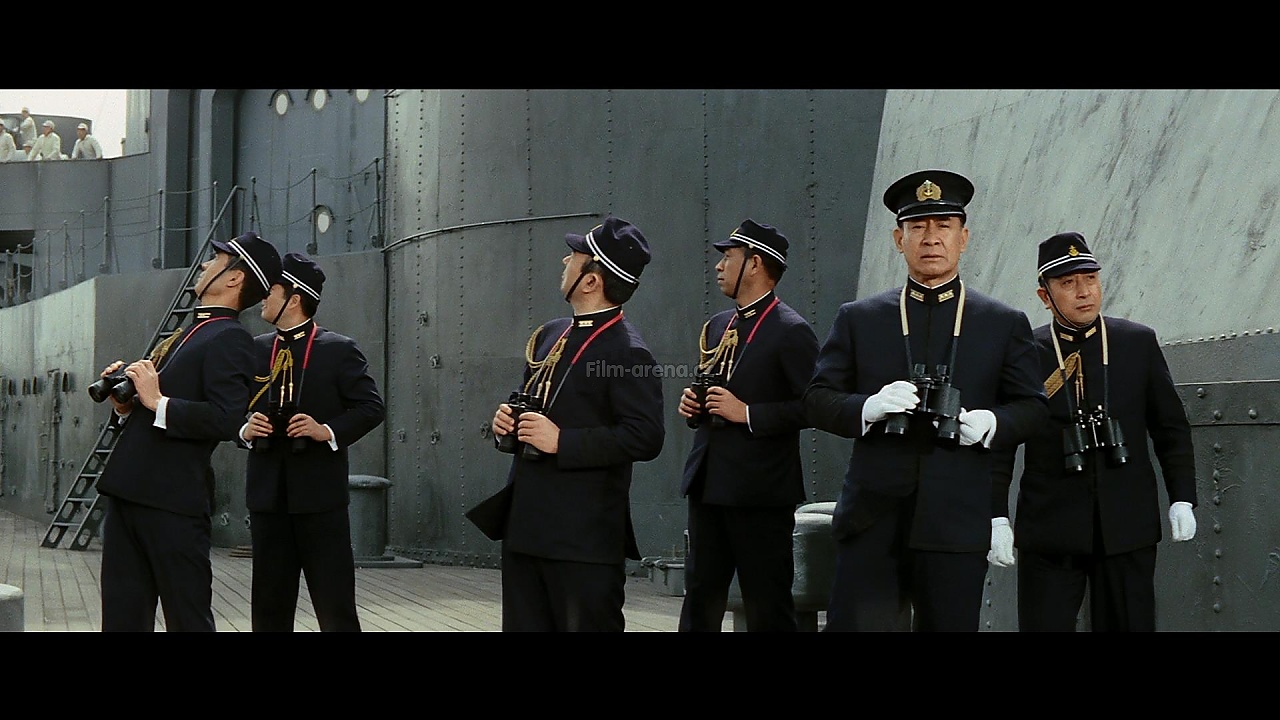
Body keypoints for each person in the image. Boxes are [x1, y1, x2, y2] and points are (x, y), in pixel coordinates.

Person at [804, 169, 1049, 632]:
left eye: (944, 226)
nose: (931, 238)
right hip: (872, 520)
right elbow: (817, 398)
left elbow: (1034, 407)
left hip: (956, 520)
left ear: (964, 238)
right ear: (899, 240)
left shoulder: (1001, 322)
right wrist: (867, 408)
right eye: (917, 226)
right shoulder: (860, 318)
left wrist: (992, 423)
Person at [477, 215, 665, 632]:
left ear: (592, 280)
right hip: (526, 530)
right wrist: (507, 420)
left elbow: (646, 436)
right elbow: (534, 395)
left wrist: (563, 441)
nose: (565, 260)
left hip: (582, 542)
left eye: (575, 256)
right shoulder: (551, 334)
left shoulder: (628, 351)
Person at [1009, 231, 1198, 632]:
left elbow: (1170, 428)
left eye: (1091, 279)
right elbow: (1002, 443)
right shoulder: (1027, 351)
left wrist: (1182, 496)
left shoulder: (1136, 342)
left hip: (1127, 526)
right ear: (1045, 296)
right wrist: (995, 515)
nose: (1084, 292)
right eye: (1068, 283)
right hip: (1050, 530)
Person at [95, 231, 282, 631]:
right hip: (130, 491)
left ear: (235, 277)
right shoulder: (191, 331)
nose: (205, 265)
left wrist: (157, 400)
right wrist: (126, 407)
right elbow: (157, 410)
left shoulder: (230, 336)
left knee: (187, 619)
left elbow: (226, 417)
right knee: (122, 619)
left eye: (217, 260)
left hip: (173, 503)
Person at [675, 219, 819, 632]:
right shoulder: (718, 326)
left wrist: (748, 413)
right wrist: (695, 407)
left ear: (755, 264)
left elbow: (815, 407)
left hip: (760, 493)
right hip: (709, 483)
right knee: (699, 598)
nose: (719, 266)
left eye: (728, 257)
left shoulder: (791, 330)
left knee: (767, 604)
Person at [239, 252, 385, 632]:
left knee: (335, 607)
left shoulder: (338, 349)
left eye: (271, 290)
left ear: (294, 298)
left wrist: (326, 431)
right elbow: (233, 408)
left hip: (321, 500)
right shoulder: (256, 349)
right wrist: (245, 429)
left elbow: (371, 407)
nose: (263, 298)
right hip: (268, 500)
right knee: (268, 609)